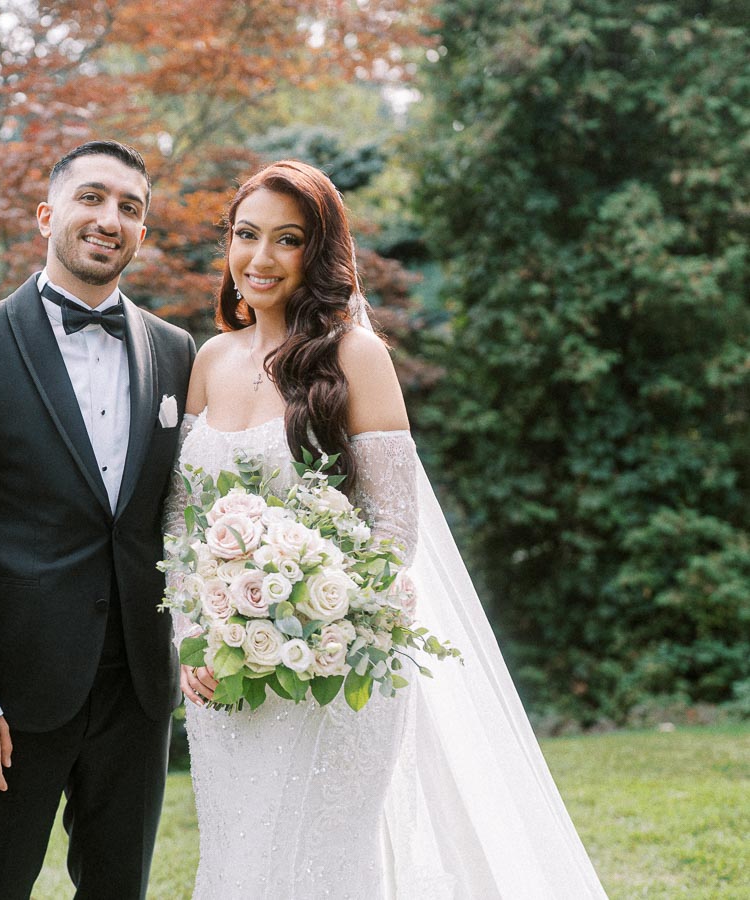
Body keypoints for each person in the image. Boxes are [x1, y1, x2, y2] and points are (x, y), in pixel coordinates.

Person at [173, 161, 608, 897]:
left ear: (318, 255)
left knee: (323, 865)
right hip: (223, 673)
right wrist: (196, 636)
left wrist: (297, 615)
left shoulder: (356, 357)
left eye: (287, 240)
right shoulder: (209, 360)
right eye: (247, 235)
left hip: (330, 667)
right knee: (239, 861)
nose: (260, 258)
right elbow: (183, 521)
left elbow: (392, 535)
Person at [0, 140, 196, 899]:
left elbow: (178, 519)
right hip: (11, 694)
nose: (110, 220)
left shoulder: (176, 351)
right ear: (47, 214)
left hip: (136, 690)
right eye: (92, 198)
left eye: (130, 208)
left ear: (143, 230)